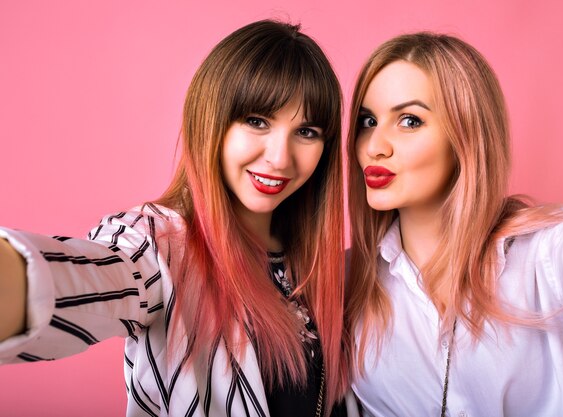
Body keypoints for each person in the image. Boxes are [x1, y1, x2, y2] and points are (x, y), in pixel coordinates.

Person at [0, 20, 356, 417]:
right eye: (257, 121)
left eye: (306, 131)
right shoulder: (160, 245)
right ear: (211, 120)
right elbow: (84, 277)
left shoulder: (318, 268)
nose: (280, 157)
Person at [344, 32, 563, 417]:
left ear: (466, 135)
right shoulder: (348, 283)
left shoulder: (553, 257)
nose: (375, 145)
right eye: (368, 120)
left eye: (409, 120)